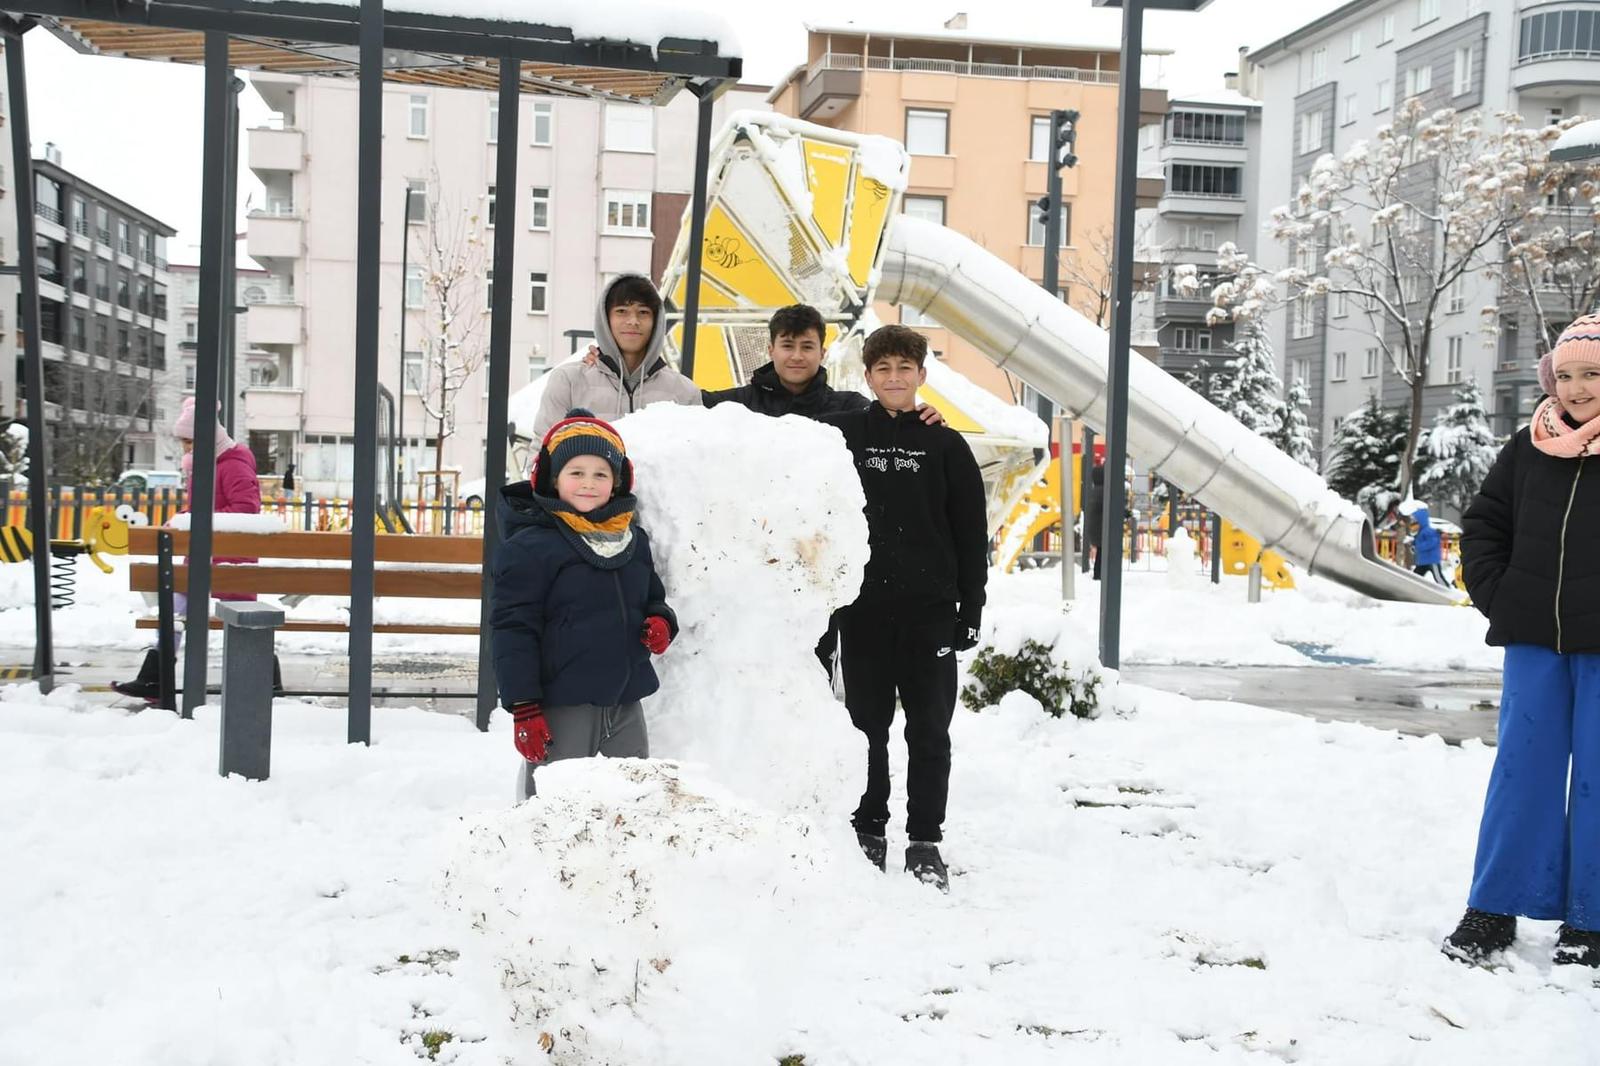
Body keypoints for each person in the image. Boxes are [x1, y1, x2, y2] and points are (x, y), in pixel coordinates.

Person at [1444, 313, 1600, 969]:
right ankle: (1494, 906)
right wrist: (1498, 594)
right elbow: (1483, 524)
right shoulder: (1528, 446)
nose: (1576, 388)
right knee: (1521, 774)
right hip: (1534, 640)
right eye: (1564, 375)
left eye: (1591, 374)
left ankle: (1590, 922)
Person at [820, 325, 988, 892]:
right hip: (862, 611)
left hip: (929, 613)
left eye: (904, 368)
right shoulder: (841, 435)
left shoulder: (946, 444)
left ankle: (924, 840)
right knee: (866, 727)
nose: (894, 378)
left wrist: (971, 604)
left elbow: (970, 532)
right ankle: (868, 828)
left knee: (930, 731)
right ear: (866, 377)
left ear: (922, 374)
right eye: (883, 369)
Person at [490, 407, 678, 801]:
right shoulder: (531, 546)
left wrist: (661, 622)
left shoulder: (630, 539)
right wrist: (525, 706)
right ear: (552, 478)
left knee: (633, 801)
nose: (588, 484)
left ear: (618, 481)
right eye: (576, 472)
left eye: (601, 474)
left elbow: (652, 598)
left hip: (625, 703)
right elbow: (514, 629)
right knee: (558, 808)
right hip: (563, 705)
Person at [113, 398, 271, 702]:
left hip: (229, 558)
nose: (186, 448)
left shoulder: (233, 463)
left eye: (190, 441)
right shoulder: (211, 462)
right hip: (210, 557)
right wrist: (186, 517)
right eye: (184, 442)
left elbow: (246, 509)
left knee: (228, 616)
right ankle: (155, 677)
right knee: (176, 609)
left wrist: (193, 518)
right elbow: (209, 506)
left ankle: (156, 678)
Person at [530, 275, 701, 440]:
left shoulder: (684, 392)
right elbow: (542, 455)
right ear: (606, 319)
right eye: (621, 311)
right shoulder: (569, 381)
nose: (633, 321)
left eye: (643, 312)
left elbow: (696, 460)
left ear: (656, 321)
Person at [1399, 499, 1447, 585]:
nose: (1414, 524)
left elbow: (1432, 543)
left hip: (1432, 560)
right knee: (1415, 578)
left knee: (1438, 578)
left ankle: (1449, 592)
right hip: (1422, 561)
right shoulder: (1420, 532)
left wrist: (1417, 546)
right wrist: (1412, 543)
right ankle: (1411, 589)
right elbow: (1418, 544)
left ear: (1421, 521)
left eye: (1415, 521)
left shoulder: (1428, 531)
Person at [1084, 463, 1106, 581]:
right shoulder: (1104, 492)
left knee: (1100, 552)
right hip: (1102, 527)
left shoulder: (1094, 491)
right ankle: (1099, 575)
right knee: (1103, 552)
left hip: (1095, 527)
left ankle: (1098, 574)